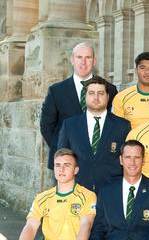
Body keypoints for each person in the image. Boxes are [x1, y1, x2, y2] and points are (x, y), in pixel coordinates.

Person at [40, 42, 118, 171]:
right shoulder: (56, 91)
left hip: (100, 164)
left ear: (94, 61)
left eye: (88, 57)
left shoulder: (109, 89)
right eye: (79, 57)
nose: (83, 62)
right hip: (65, 165)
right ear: (72, 60)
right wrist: (64, 151)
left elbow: (113, 124)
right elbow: (47, 127)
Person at [58, 76, 131, 191]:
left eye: (101, 93)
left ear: (107, 97)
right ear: (85, 97)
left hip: (112, 190)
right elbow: (62, 159)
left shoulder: (123, 126)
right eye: (91, 93)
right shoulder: (69, 125)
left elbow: (128, 161)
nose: (96, 97)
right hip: (78, 190)